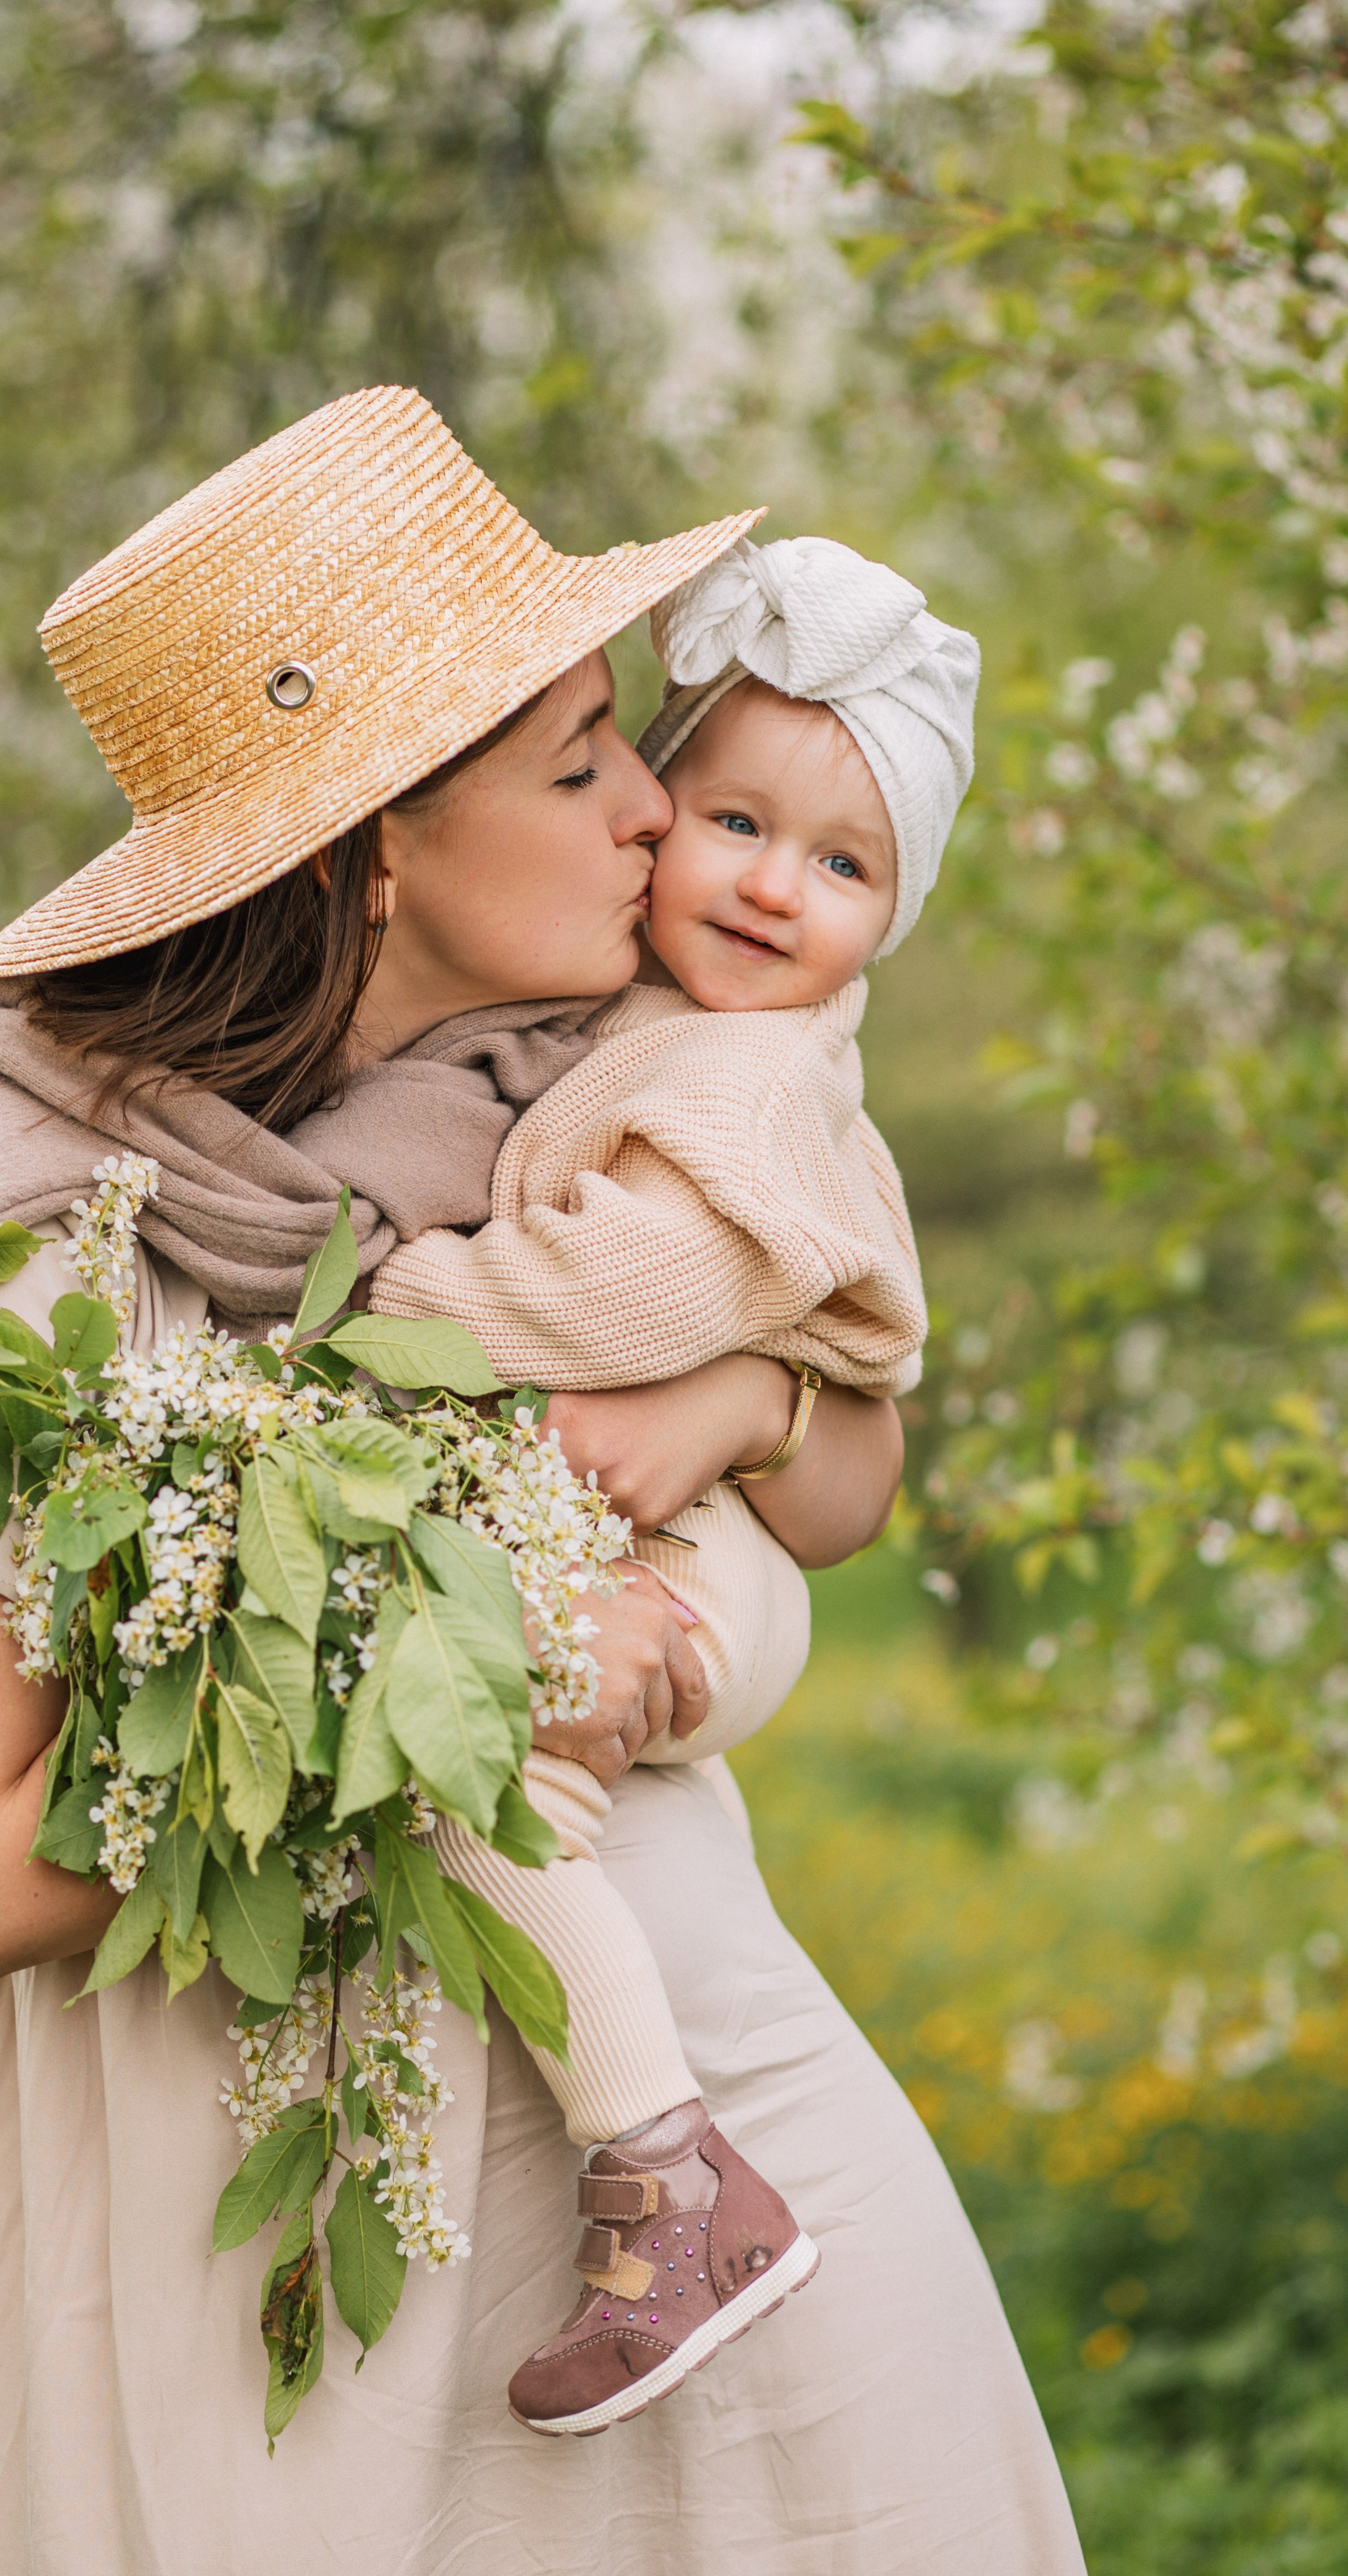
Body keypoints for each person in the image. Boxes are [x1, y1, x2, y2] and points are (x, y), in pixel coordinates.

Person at [0, 387, 1087, 2576]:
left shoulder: (553, 1080)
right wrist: (481, 1677)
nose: (658, 808)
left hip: (722, 2115)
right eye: (576, 762)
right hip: (288, 2216)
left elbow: (853, 1439)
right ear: (368, 841)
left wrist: (740, 1400)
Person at [354, 531, 977, 2437]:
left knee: (482, 1784)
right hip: (690, 1517)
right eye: (733, 821)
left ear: (895, 914)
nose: (775, 886)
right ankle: (661, 2183)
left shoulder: (749, 1074)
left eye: (845, 863)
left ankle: (669, 2183)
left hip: (708, 1559)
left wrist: (391, 1301)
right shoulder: (667, 1025)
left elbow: (627, 1285)